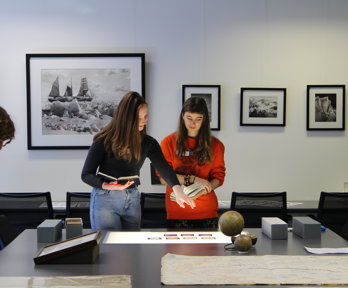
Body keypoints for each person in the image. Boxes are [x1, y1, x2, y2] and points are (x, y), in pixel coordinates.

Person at [81, 91, 195, 231]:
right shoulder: (103, 140)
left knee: (132, 248)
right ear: (126, 118)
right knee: (108, 248)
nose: (145, 120)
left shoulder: (148, 143)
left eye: (146, 116)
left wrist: (178, 191)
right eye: (139, 117)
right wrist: (109, 186)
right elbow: (86, 174)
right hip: (105, 200)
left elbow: (164, 168)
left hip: (133, 198)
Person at [158, 97, 226, 229]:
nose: (193, 123)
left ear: (204, 119)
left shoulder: (216, 145)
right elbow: (162, 177)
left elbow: (219, 177)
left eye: (198, 119)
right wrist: (194, 179)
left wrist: (208, 187)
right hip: (178, 211)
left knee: (208, 250)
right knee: (176, 250)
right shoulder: (168, 142)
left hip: (207, 211)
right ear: (182, 116)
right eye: (189, 118)